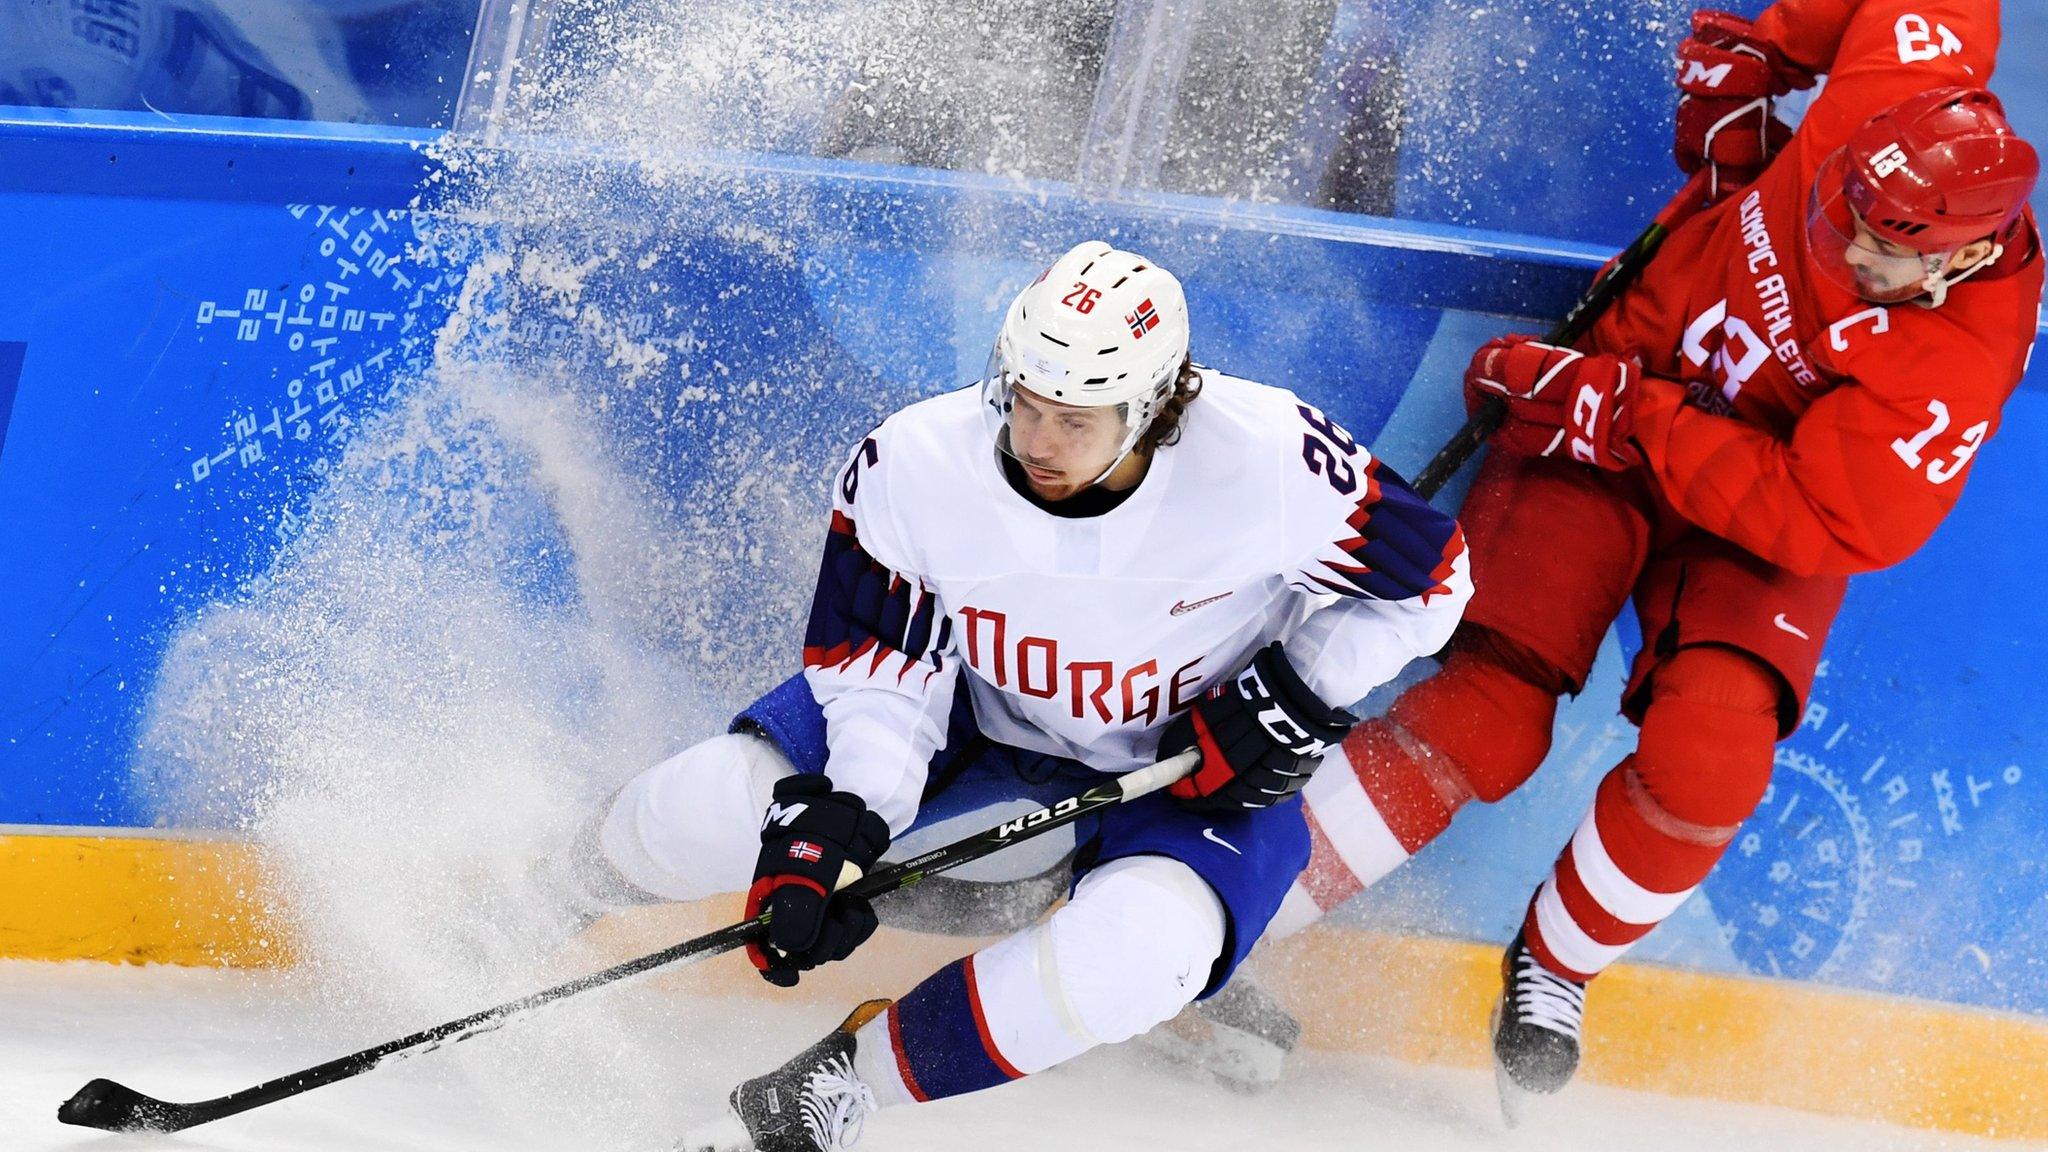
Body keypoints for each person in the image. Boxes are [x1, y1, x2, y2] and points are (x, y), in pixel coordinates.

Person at [1266, 0, 2040, 1102]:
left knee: (1709, 763)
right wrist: (1754, 51)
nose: (1837, 244)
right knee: (1484, 716)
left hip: (1747, 501)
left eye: (1873, 250)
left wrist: (1621, 413)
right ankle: (1225, 922)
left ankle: (1555, 965)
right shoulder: (1891, 99)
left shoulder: (1955, 364)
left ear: (1960, 253)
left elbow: (1820, 519)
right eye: (1836, 211)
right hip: (1618, 394)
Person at [566, 239, 1472, 1151]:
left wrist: (1295, 693)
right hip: (973, 701)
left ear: (1155, 406)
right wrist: (851, 817)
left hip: (1193, 760)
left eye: (1075, 421)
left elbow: (1435, 582)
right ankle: (535, 898)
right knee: (713, 805)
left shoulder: (1273, 460)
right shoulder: (914, 462)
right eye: (1025, 402)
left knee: (1143, 956)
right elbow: (882, 657)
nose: (1037, 440)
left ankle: (837, 1086)